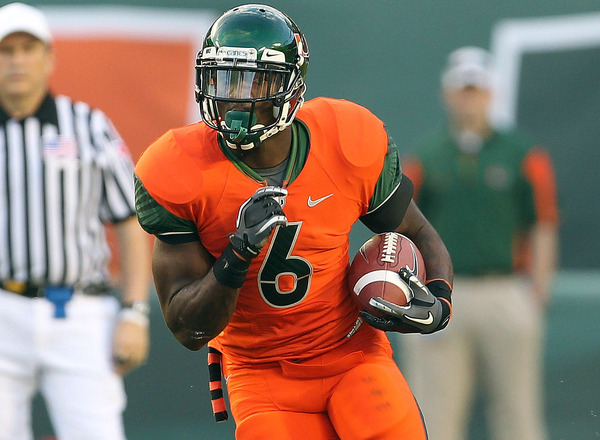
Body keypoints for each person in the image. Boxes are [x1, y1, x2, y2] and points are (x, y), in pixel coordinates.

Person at [134, 4, 453, 439]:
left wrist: (438, 302)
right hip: (259, 371)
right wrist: (238, 252)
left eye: (253, 81)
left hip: (351, 354)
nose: (235, 98)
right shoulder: (178, 169)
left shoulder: (345, 138)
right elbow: (188, 328)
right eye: (224, 79)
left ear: (291, 86)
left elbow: (415, 231)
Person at [0, 3, 152, 440]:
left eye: (27, 49)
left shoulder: (87, 125)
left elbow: (128, 220)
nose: (17, 60)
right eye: (7, 50)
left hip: (81, 312)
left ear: (48, 58)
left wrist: (135, 313)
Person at [400, 46, 559, 440]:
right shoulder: (429, 155)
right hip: (443, 294)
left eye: (477, 89)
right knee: (434, 414)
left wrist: (538, 291)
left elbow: (542, 223)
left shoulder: (522, 153)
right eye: (463, 89)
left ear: (492, 93)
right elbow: (403, 228)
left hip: (505, 288)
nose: (470, 97)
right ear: (447, 94)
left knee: (517, 413)